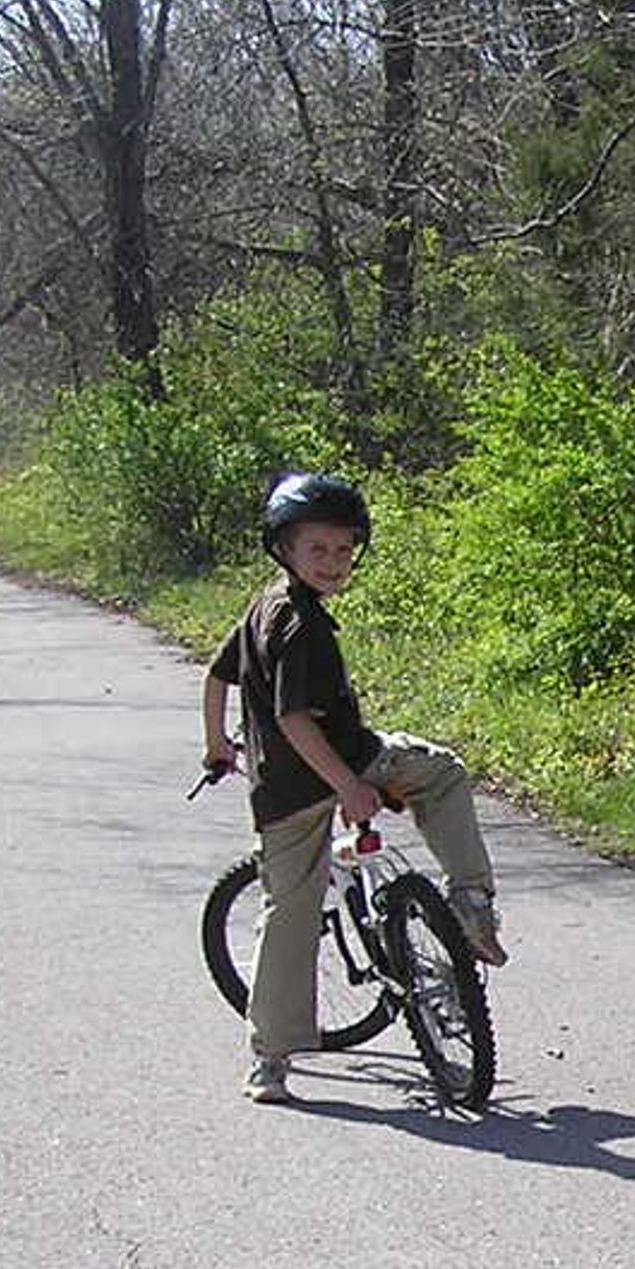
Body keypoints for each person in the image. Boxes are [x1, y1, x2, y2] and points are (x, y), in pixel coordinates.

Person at [202, 470, 508, 1104]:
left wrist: (216, 746)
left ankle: (271, 1061)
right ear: (283, 547)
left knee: (287, 911)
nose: (334, 562)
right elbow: (293, 718)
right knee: (443, 775)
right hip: (332, 772)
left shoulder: (265, 605)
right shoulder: (302, 627)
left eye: (344, 550)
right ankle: (472, 899)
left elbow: (217, 675)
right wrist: (347, 786)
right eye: (318, 549)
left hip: (280, 792)